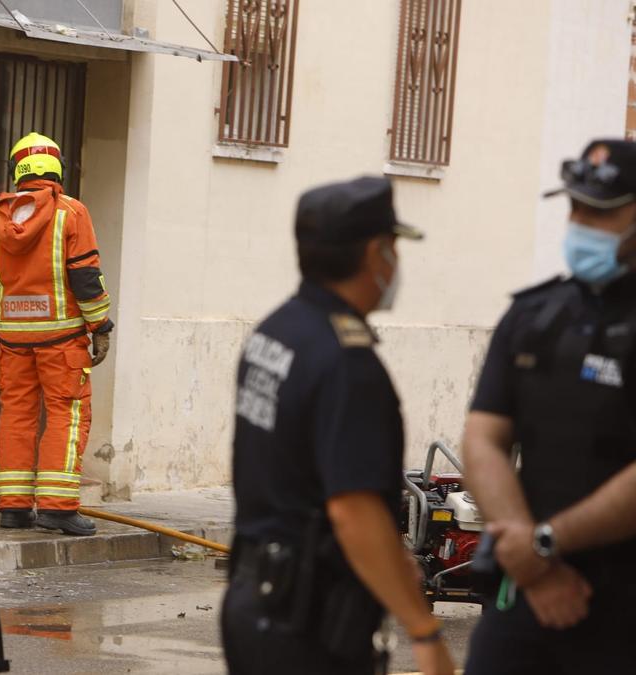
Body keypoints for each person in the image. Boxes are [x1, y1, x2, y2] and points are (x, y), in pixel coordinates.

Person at [222, 176, 454, 675]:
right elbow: (354, 511)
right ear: (375, 254)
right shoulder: (349, 365)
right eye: (394, 248)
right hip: (308, 625)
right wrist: (425, 631)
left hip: (254, 600)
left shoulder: (275, 332)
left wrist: (392, 563)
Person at [462, 139, 636, 674]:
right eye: (575, 207)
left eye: (600, 213)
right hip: (525, 594)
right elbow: (483, 439)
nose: (580, 222)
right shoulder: (535, 314)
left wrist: (543, 544)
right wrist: (534, 564)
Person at [0, 132, 113, 536]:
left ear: (17, 171)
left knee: (16, 415)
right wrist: (101, 327)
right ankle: (58, 509)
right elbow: (86, 278)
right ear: (57, 168)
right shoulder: (71, 213)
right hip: (62, 343)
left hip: (12, 343)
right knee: (66, 418)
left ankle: (13, 508)